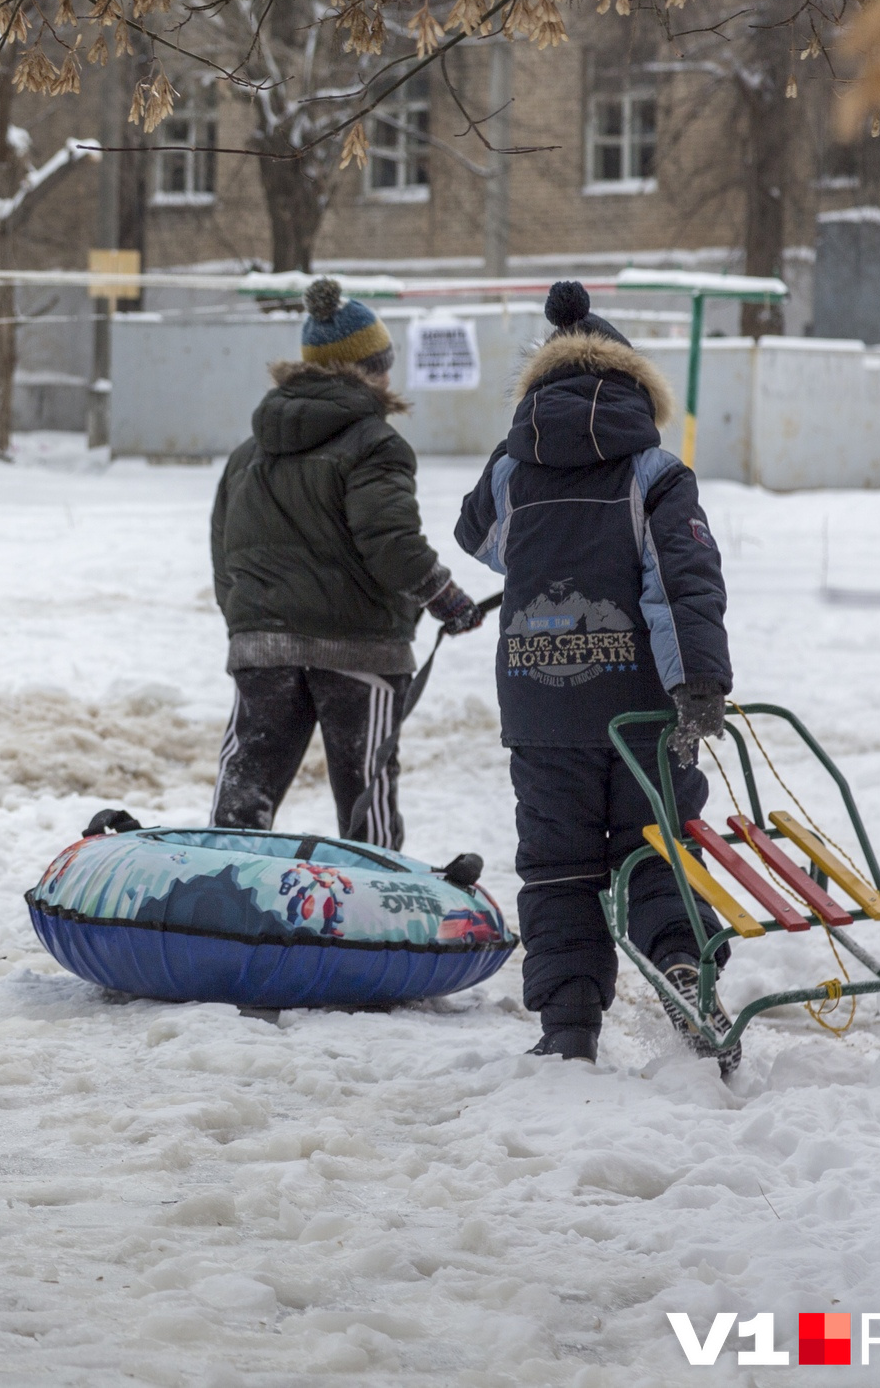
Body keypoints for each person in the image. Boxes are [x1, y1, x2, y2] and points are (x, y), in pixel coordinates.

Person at [455, 280, 731, 1065]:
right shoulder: (655, 473)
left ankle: (568, 1025)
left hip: (542, 708)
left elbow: (474, 532)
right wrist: (698, 684)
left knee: (557, 863)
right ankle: (684, 966)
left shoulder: (514, 470)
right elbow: (682, 585)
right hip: (643, 710)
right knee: (659, 843)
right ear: (638, 389)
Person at [209, 277, 483, 850]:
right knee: (366, 804)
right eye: (383, 364)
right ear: (368, 370)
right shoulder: (376, 444)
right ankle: (377, 913)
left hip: (263, 649)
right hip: (360, 651)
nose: (389, 375)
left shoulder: (248, 453)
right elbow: (390, 543)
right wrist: (446, 598)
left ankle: (220, 899)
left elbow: (224, 552)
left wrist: (252, 622)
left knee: (244, 793)